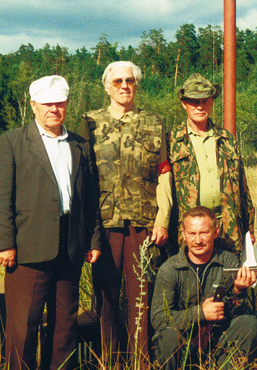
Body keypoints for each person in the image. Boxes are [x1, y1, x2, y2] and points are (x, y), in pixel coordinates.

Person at [0, 75, 102, 370]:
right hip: (27, 249)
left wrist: (92, 240)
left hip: (71, 247)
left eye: (60, 103)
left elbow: (90, 199)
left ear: (66, 105)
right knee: (24, 327)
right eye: (47, 103)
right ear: (34, 106)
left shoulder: (80, 145)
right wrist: (3, 243)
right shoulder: (13, 142)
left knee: (65, 326)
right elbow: (1, 197)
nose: (54, 108)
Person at [79, 61, 173, 367]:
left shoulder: (154, 123)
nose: (124, 86)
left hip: (143, 225)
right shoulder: (89, 123)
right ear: (106, 86)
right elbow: (82, 177)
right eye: (117, 81)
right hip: (104, 225)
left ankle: (141, 361)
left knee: (141, 300)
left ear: (137, 85)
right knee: (106, 299)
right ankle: (111, 361)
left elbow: (164, 174)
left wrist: (162, 220)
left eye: (130, 81)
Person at [150, 206, 257, 370]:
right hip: (185, 343)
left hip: (219, 340)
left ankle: (227, 366)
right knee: (167, 336)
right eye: (192, 233)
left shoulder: (229, 262)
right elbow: (158, 318)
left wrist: (238, 291)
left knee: (248, 322)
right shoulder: (170, 269)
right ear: (184, 235)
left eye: (204, 233)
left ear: (215, 233)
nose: (198, 240)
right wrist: (200, 313)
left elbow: (237, 314)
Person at [168, 73, 254, 256]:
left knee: (229, 278)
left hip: (227, 226)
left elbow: (243, 188)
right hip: (192, 232)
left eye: (205, 101)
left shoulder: (226, 139)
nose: (200, 106)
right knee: (192, 280)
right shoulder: (171, 141)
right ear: (184, 104)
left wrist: (251, 228)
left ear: (212, 102)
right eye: (194, 101)